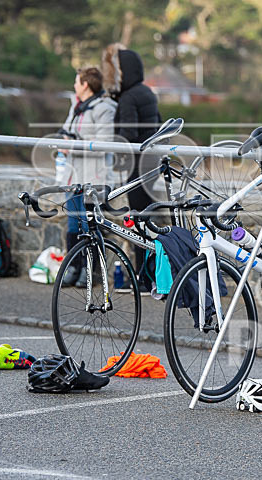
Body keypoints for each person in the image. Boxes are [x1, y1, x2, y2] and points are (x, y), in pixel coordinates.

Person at [102, 43, 160, 294]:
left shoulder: (128, 98)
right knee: (147, 221)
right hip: (152, 163)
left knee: (138, 222)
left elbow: (128, 135)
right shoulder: (145, 92)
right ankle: (151, 276)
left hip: (137, 167)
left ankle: (145, 279)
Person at [59, 67, 117, 287]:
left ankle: (90, 270)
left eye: (76, 81)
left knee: (90, 225)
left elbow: (103, 143)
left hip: (94, 177)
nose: (74, 85)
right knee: (73, 225)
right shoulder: (76, 106)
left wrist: (72, 145)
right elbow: (66, 130)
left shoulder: (105, 109)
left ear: (85, 84)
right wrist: (66, 140)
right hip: (73, 176)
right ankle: (73, 267)